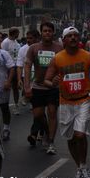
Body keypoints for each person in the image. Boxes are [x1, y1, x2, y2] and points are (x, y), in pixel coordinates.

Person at [44, 26, 90, 178]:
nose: (73, 38)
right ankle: (80, 168)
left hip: (84, 100)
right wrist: (52, 82)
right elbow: (47, 79)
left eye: (75, 35)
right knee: (70, 138)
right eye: (69, 36)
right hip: (65, 103)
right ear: (63, 40)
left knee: (80, 135)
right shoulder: (57, 59)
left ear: (79, 39)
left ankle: (83, 168)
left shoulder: (88, 56)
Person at [24, 21, 63, 154]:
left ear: (53, 33)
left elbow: (63, 67)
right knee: (38, 114)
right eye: (45, 31)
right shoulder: (33, 48)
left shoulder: (59, 48)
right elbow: (28, 66)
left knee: (52, 113)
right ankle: (46, 131)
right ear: (41, 33)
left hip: (53, 87)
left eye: (49, 31)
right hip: (38, 87)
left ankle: (51, 142)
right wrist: (27, 86)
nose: (47, 33)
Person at [0, 32, 15, 141]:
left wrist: (8, 81)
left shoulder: (3, 53)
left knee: (4, 109)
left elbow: (12, 68)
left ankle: (6, 129)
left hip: (3, 87)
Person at [17, 29, 41, 106]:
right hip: (27, 78)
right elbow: (19, 66)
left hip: (40, 79)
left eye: (31, 38)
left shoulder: (42, 47)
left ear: (37, 38)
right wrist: (19, 79)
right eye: (27, 38)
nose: (28, 40)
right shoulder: (22, 49)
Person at [1, 27, 21, 114]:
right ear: (14, 33)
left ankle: (16, 106)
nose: (18, 35)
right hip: (9, 68)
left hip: (16, 67)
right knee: (7, 88)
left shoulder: (16, 42)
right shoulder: (5, 42)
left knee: (16, 87)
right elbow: (2, 54)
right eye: (17, 33)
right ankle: (4, 105)